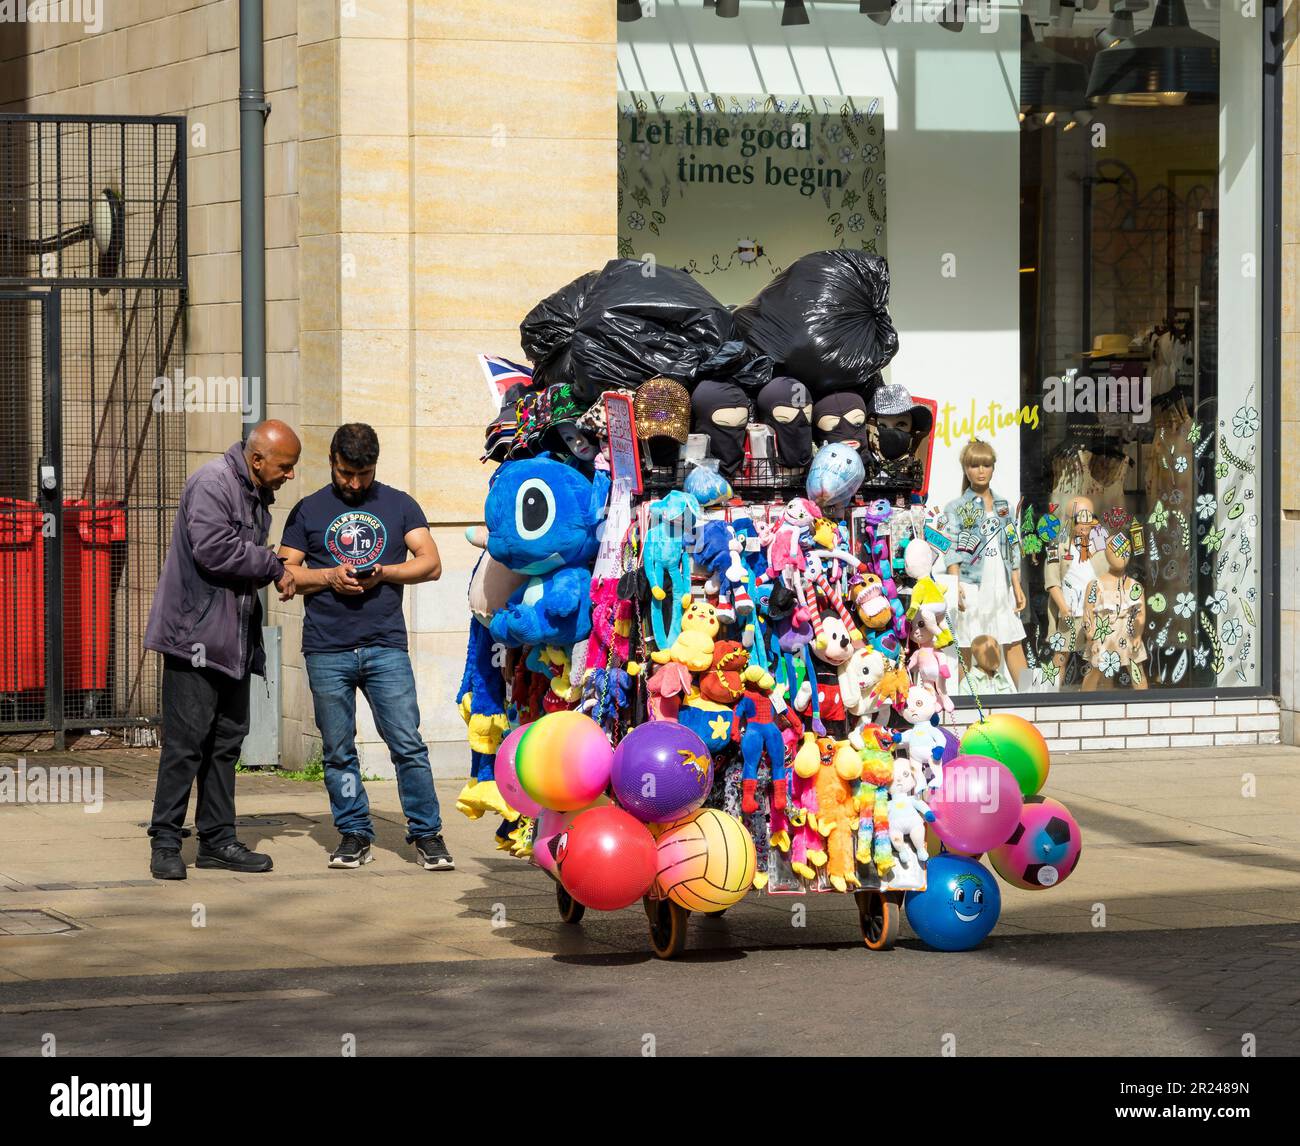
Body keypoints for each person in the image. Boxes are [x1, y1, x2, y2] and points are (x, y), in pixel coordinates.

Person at [278, 423, 450, 871]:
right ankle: (354, 832)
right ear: (332, 462)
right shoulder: (308, 510)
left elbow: (430, 563)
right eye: (345, 473)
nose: (354, 483)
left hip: (385, 646)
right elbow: (283, 574)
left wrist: (385, 573)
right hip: (326, 648)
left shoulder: (398, 504)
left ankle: (427, 834)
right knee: (338, 750)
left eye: (364, 474)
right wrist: (329, 576)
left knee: (407, 744)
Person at [144, 420, 301, 880]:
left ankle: (217, 840)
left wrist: (270, 565)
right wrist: (274, 564)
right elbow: (214, 551)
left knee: (226, 744)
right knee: (186, 745)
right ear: (257, 460)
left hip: (232, 640)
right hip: (194, 638)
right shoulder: (212, 482)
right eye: (285, 466)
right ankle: (166, 842)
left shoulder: (254, 493)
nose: (290, 475)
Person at [942, 438, 1028, 689]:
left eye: (986, 465)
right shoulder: (956, 507)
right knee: (967, 645)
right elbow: (951, 547)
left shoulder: (1004, 506)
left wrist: (1016, 582)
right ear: (965, 469)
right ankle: (954, 705)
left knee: (1013, 642)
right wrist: (955, 582)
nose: (981, 471)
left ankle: (1035, 701)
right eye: (974, 465)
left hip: (1000, 584)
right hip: (971, 585)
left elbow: (1013, 543)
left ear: (993, 468)